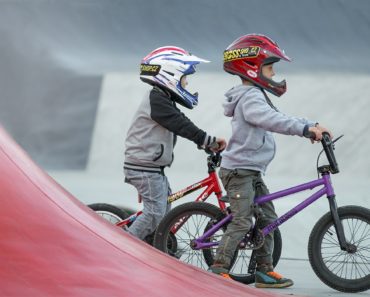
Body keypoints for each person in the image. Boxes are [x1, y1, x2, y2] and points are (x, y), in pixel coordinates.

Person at [209, 34, 332, 288]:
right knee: (242, 221)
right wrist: (304, 130)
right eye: (270, 67)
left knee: (268, 221)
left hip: (250, 171)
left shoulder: (254, 95)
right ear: (252, 68)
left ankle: (264, 271)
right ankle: (218, 268)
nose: (274, 72)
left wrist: (309, 125)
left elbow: (280, 115)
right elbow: (273, 121)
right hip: (239, 172)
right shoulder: (250, 97)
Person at [124, 46, 226, 242]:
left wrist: (206, 143)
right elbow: (180, 124)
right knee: (154, 213)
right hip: (143, 167)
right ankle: (124, 246)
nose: (186, 83)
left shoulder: (162, 98)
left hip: (152, 168)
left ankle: (155, 244)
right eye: (184, 78)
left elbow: (181, 120)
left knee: (164, 212)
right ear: (170, 75)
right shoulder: (156, 99)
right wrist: (208, 141)